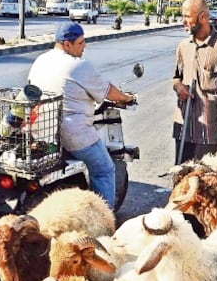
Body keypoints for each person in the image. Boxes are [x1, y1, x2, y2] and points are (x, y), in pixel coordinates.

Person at [27, 21, 136, 208]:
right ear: (67, 44)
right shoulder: (78, 66)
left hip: (42, 131)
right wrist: (127, 98)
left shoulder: (41, 59)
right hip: (74, 136)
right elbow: (108, 91)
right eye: (80, 43)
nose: (84, 47)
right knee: (104, 169)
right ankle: (104, 220)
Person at [172, 0, 217, 164]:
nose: (183, 21)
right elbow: (176, 78)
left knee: (203, 180)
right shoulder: (183, 46)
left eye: (187, 16)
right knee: (181, 176)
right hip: (184, 127)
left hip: (211, 131)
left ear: (203, 17)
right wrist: (178, 87)